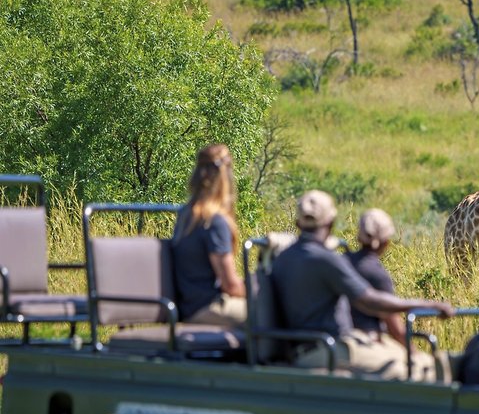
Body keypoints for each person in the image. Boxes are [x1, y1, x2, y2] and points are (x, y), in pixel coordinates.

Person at [271, 190, 454, 378]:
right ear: (331, 222)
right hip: (329, 348)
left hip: (310, 347)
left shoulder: (282, 258)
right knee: (416, 369)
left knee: (414, 362)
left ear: (298, 223)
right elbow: (369, 300)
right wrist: (428, 304)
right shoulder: (325, 259)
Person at [346, 208, 438, 377]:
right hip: (368, 341)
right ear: (386, 242)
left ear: (359, 236)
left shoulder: (342, 262)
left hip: (343, 340)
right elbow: (395, 329)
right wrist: (415, 354)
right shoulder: (377, 274)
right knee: (430, 367)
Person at [171, 143, 247, 328]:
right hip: (207, 306)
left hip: (190, 305)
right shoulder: (214, 222)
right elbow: (230, 286)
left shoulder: (186, 215)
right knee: (273, 315)